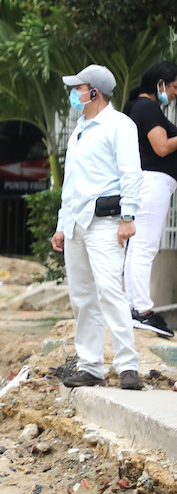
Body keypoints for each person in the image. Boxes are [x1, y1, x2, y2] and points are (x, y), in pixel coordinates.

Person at [51, 64, 144, 390]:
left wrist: (128, 218)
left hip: (106, 222)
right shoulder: (79, 130)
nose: (74, 94)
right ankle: (90, 366)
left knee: (110, 292)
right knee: (82, 297)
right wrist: (62, 225)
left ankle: (128, 366)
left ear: (94, 91)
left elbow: (131, 173)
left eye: (78, 88)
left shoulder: (119, 125)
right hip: (77, 224)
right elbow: (71, 184)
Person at [123, 60, 177, 338]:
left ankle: (133, 306)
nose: (176, 93)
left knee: (138, 247)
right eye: (174, 87)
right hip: (152, 183)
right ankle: (142, 311)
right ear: (160, 85)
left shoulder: (140, 107)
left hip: (149, 183)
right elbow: (162, 146)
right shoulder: (148, 108)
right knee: (145, 247)